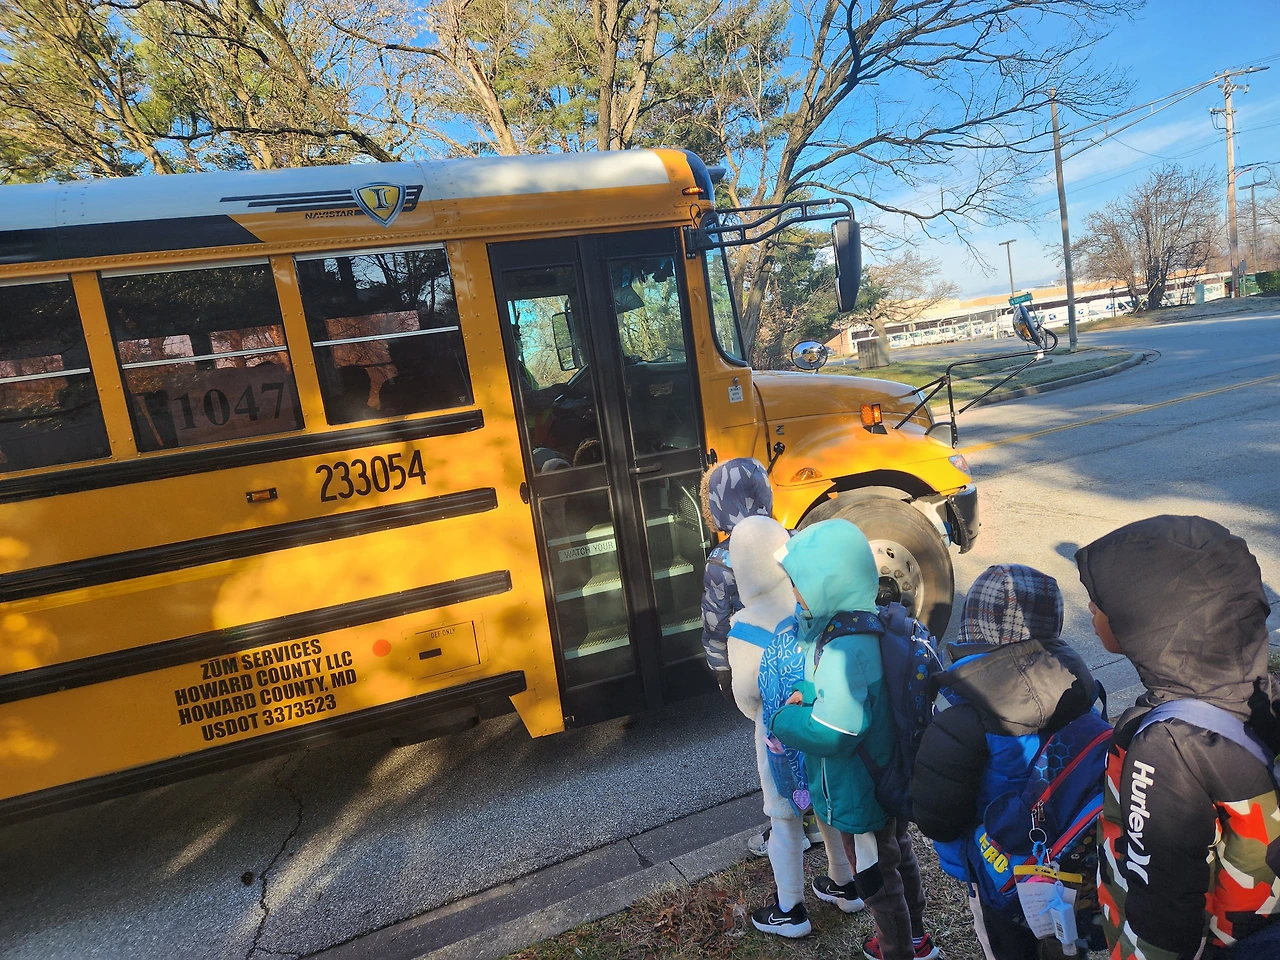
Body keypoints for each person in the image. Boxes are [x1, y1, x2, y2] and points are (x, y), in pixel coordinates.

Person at [1076, 515, 1280, 960]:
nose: (1091, 608)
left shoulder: (1165, 747)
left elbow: (1163, 910)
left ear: (1157, 618)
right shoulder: (1257, 694)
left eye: (1104, 600)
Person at [770, 518, 940, 960]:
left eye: (800, 584)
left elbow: (837, 731)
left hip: (859, 790)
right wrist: (809, 693)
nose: (795, 593)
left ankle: (898, 949)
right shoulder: (864, 626)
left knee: (875, 879)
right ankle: (916, 937)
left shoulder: (841, 647)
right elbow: (858, 697)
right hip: (886, 774)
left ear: (828, 583)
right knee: (897, 854)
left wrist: (786, 719)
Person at [911, 564, 1100, 960]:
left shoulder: (965, 712)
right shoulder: (1077, 685)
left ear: (975, 624)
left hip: (995, 868)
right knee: (1066, 937)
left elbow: (937, 816)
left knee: (1006, 944)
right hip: (1066, 852)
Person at [724, 515, 863, 938]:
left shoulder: (743, 628)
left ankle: (791, 909)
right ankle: (846, 884)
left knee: (784, 818)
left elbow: (747, 697)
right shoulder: (807, 603)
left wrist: (767, 715)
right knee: (826, 805)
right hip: (818, 725)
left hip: (777, 739)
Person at [699, 458, 822, 856]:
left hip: (759, 666)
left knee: (774, 747)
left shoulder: (721, 561)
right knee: (812, 737)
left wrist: (721, 669)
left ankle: (787, 827)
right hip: (804, 658)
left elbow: (715, 623)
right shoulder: (791, 538)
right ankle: (819, 817)